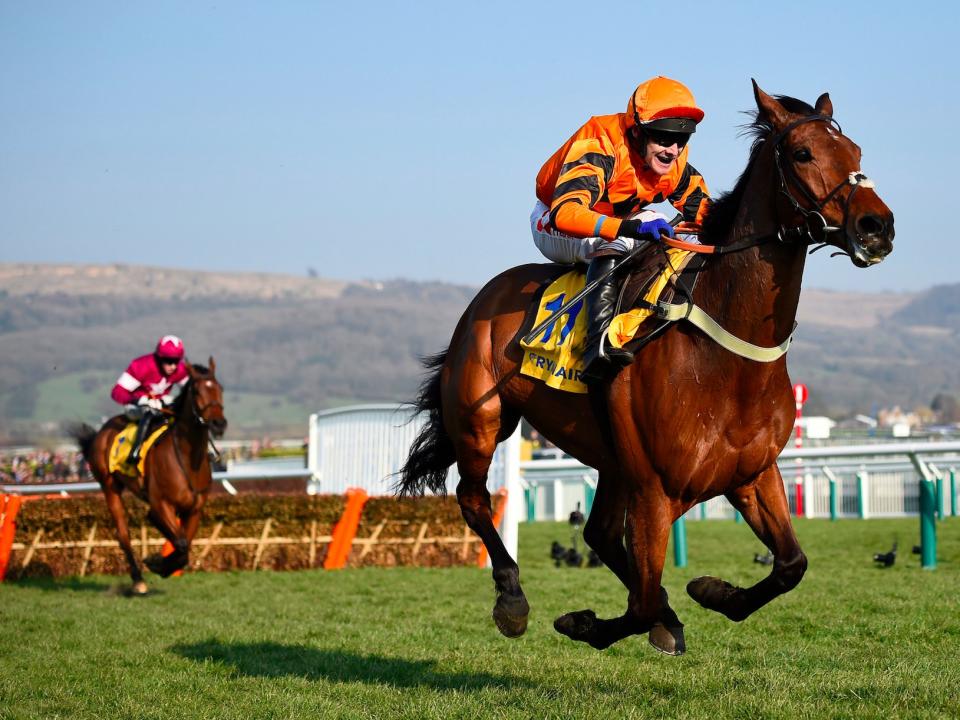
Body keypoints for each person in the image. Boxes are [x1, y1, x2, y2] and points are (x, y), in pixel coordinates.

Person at [532, 76, 711, 382]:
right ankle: (597, 344)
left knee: (683, 238)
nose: (674, 150)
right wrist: (628, 228)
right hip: (555, 220)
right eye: (664, 139)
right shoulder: (600, 143)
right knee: (642, 225)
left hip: (615, 224)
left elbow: (710, 218)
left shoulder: (676, 163)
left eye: (682, 140)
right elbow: (566, 212)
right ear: (638, 131)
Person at [110, 335, 189, 464]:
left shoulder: (180, 370)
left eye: (176, 361)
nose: (173, 366)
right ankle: (135, 451)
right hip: (136, 407)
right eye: (169, 361)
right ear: (159, 357)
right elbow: (117, 392)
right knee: (149, 412)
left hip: (161, 407)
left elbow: (190, 391)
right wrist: (139, 399)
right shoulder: (141, 366)